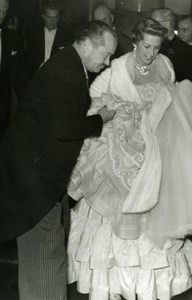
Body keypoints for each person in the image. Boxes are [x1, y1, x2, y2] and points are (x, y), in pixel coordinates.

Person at [67, 17, 192, 300]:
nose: (151, 53)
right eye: (146, 46)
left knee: (157, 211)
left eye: (157, 47)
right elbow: (94, 98)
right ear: (135, 42)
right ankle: (114, 284)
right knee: (118, 214)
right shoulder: (117, 67)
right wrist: (125, 114)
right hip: (121, 150)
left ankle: (151, 284)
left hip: (156, 149)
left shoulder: (166, 66)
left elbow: (171, 105)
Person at [0, 20, 117, 300]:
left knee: (39, 254)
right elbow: (64, 128)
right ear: (88, 44)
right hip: (36, 183)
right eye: (106, 54)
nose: (108, 61)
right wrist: (101, 118)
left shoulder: (67, 63)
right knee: (48, 255)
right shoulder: (66, 71)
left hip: (29, 174)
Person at [25, 0, 74, 79]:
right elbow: (28, 59)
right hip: (36, 76)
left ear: (59, 17)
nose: (52, 21)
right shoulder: (33, 35)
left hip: (57, 77)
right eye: (49, 17)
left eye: (55, 18)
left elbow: (69, 62)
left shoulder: (67, 37)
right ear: (43, 16)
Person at [0, 0, 25, 140]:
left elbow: (19, 73)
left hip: (3, 102)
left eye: (4, 12)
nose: (1, 16)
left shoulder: (11, 36)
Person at [150, 8, 192, 82]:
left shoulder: (186, 51)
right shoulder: (150, 45)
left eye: (153, 22)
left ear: (167, 23)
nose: (150, 26)